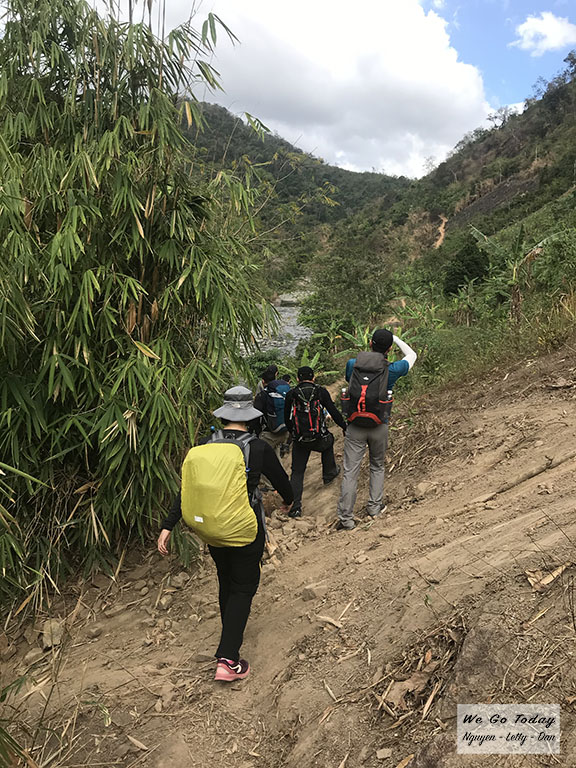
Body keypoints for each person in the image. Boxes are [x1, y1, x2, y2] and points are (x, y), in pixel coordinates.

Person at [157, 386, 293, 682]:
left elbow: (187, 489)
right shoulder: (257, 447)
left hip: (211, 529)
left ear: (224, 415)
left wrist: (168, 525)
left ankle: (230, 631)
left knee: (226, 580)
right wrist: (289, 500)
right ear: (250, 416)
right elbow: (283, 481)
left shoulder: (205, 444)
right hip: (244, 528)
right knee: (244, 587)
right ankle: (228, 659)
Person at [336, 329, 417, 530]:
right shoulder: (393, 369)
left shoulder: (352, 364)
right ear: (389, 349)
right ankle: (374, 508)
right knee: (377, 466)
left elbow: (350, 381)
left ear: (370, 343)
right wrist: (396, 339)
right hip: (379, 425)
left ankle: (346, 518)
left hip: (355, 425)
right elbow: (412, 355)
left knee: (350, 472)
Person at [284, 366, 346, 519]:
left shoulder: (292, 394)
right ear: (313, 378)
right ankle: (329, 474)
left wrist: (293, 433)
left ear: (297, 378)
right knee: (329, 441)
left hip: (300, 441)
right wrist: (345, 427)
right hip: (319, 438)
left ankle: (295, 508)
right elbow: (333, 412)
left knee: (297, 472)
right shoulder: (320, 391)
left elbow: (287, 418)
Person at [253, 368, 291, 458]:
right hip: (285, 432)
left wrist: (257, 432)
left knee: (258, 458)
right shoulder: (282, 392)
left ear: (263, 381)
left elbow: (255, 416)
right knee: (275, 456)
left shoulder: (262, 395)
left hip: (269, 435)